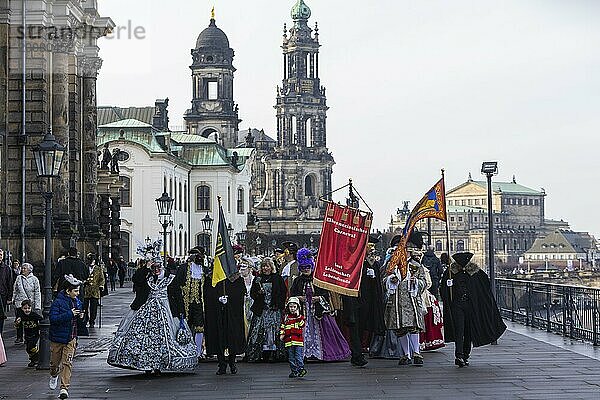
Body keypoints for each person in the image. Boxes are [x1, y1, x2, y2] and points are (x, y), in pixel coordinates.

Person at [107, 255, 196, 374]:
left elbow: (178, 296)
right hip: (146, 313)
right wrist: (145, 267)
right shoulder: (148, 278)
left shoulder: (171, 279)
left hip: (167, 312)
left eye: (158, 267)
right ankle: (147, 364)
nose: (156, 270)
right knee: (145, 339)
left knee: (164, 339)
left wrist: (181, 313)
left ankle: (159, 365)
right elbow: (136, 280)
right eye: (154, 267)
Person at [440, 252, 507, 367]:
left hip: (471, 306)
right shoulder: (450, 273)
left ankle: (465, 355)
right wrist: (448, 288)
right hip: (457, 305)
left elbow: (483, 288)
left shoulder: (476, 273)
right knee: (459, 330)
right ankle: (459, 355)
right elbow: (443, 289)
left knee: (468, 331)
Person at [290, 248, 350, 362]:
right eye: (303, 268)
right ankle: (305, 354)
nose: (306, 269)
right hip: (303, 312)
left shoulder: (318, 279)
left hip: (318, 311)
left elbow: (326, 294)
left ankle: (321, 353)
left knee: (326, 332)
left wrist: (319, 298)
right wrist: (298, 298)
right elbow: (292, 295)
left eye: (308, 267)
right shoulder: (297, 281)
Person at [341, 234, 386, 367]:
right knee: (355, 327)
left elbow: (376, 284)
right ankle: (357, 354)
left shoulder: (373, 264)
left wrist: (372, 275)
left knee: (362, 328)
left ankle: (357, 352)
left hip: (367, 300)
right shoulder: (354, 262)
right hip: (354, 300)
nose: (371, 250)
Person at [384, 231, 427, 367]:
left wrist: (416, 283)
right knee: (400, 328)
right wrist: (391, 280)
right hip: (396, 301)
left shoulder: (416, 265)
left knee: (413, 327)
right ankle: (405, 354)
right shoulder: (391, 265)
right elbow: (384, 280)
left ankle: (416, 352)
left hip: (411, 300)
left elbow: (424, 282)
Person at [203, 261, 247, 375]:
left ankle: (232, 362)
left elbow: (241, 293)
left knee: (232, 336)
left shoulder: (236, 279)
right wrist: (217, 299)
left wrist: (230, 299)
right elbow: (207, 295)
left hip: (232, 313)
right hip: (217, 313)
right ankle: (221, 363)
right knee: (218, 337)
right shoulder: (210, 279)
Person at [49, 274, 85, 400]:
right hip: (58, 338)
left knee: (67, 363)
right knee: (54, 364)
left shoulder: (78, 302)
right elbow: (53, 319)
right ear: (68, 291)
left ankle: (64, 388)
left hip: (71, 337)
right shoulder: (58, 302)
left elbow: (79, 320)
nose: (77, 293)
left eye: (78, 291)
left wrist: (81, 317)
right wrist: (70, 314)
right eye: (75, 291)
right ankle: (54, 375)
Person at [246, 257, 287, 362]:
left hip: (274, 309)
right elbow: (252, 294)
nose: (265, 268)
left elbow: (283, 292)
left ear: (271, 267)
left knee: (274, 331)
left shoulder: (277, 278)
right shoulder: (258, 279)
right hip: (262, 309)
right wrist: (258, 294)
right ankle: (260, 353)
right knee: (259, 331)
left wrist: (278, 305)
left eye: (267, 266)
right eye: (263, 266)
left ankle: (275, 353)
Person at [177, 246, 206, 361]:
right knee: (185, 326)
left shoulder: (204, 269)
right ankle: (185, 350)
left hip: (199, 303)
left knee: (199, 327)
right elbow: (178, 284)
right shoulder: (184, 268)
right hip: (185, 303)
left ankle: (198, 352)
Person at [10, 262, 41, 343]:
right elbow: (15, 289)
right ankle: (19, 336)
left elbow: (37, 292)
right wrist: (13, 299)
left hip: (30, 303)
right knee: (19, 319)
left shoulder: (34, 279)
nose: (23, 270)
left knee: (30, 321)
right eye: (22, 268)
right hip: (20, 302)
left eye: (25, 268)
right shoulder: (18, 278)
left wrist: (37, 305)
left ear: (29, 270)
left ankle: (30, 336)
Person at [280, 296, 306, 378]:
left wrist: (298, 316)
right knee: (291, 358)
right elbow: (282, 326)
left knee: (298, 356)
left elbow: (302, 325)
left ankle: (301, 369)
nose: (292, 308)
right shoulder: (286, 318)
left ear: (298, 307)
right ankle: (294, 371)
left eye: (294, 307)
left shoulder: (300, 317)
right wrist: (282, 334)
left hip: (298, 340)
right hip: (288, 341)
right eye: (291, 307)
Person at [14, 299, 42, 367]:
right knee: (28, 349)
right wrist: (17, 322)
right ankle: (33, 360)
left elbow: (41, 319)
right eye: (25, 308)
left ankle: (37, 357)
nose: (27, 310)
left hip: (35, 334)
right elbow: (17, 326)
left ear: (31, 308)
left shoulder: (34, 315)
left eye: (28, 308)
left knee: (31, 347)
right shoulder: (21, 316)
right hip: (27, 335)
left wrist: (40, 326)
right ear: (22, 308)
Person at [83, 254, 105, 328]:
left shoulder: (98, 269)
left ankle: (92, 321)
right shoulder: (85, 268)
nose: (91, 262)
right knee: (84, 306)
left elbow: (102, 278)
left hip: (95, 290)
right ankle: (85, 319)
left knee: (93, 307)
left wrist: (101, 286)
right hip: (86, 290)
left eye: (92, 260)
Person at [0, 248, 13, 334]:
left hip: (2, 295)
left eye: (0, 255)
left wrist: (9, 297)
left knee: (1, 315)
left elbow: (10, 283)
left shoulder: (7, 268)